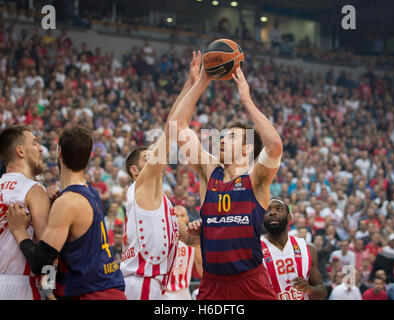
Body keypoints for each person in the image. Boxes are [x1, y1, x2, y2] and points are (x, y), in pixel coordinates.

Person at [170, 64, 283, 300]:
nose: (222, 139)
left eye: (231, 137)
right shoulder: (209, 172)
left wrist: (247, 101)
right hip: (213, 283)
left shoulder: (257, 179)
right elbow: (178, 128)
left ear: (247, 147)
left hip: (250, 281)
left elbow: (274, 145)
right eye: (222, 135)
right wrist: (202, 80)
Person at [6, 125, 126, 300]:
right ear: (88, 158)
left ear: (59, 152)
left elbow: (42, 263)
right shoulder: (91, 192)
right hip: (108, 288)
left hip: (92, 293)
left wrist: (19, 231)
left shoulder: (67, 202)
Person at [121, 51, 202, 300]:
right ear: (135, 171)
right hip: (141, 283)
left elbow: (186, 240)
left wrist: (196, 234)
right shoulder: (140, 187)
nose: (155, 160)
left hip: (157, 286)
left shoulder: (164, 202)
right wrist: (197, 84)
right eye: (148, 158)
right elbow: (172, 129)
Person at [0, 126, 50, 300]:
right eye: (35, 143)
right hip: (22, 286)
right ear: (20, 151)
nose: (40, 148)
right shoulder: (33, 190)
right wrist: (50, 293)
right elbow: (49, 258)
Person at [261, 199, 327, 300]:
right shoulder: (255, 251)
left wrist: (310, 289)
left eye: (278, 209)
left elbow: (322, 292)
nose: (272, 212)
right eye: (267, 211)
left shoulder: (307, 249)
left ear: (289, 218)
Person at [162, 206, 202, 300]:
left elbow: (199, 263)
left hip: (184, 291)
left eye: (182, 215)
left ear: (187, 218)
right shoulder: (163, 237)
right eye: (175, 215)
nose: (178, 218)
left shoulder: (193, 239)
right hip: (165, 292)